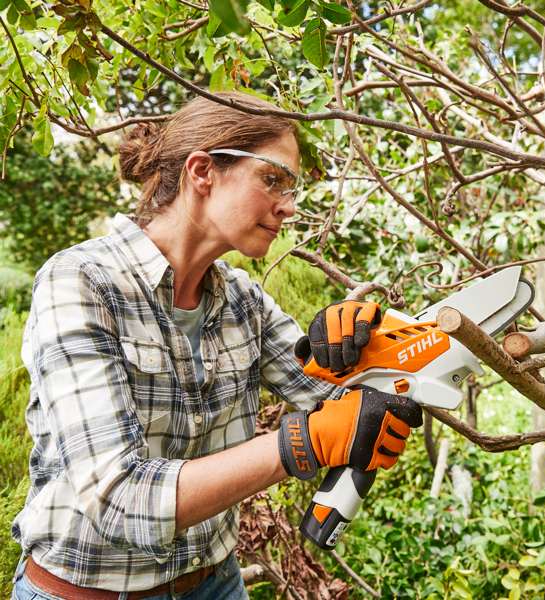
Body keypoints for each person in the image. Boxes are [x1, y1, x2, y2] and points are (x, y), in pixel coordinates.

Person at [10, 91, 422, 599]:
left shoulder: (242, 299)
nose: (288, 206)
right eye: (273, 179)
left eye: (291, 188)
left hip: (215, 583)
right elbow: (121, 499)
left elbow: (345, 405)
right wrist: (300, 443)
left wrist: (365, 349)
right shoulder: (82, 282)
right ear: (202, 172)